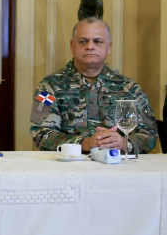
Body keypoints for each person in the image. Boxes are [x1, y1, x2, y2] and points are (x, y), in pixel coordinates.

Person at [30, 17, 157, 153]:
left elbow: (150, 134)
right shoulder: (48, 87)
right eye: (83, 41)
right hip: (69, 163)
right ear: (72, 46)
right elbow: (40, 132)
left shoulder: (130, 88)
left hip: (117, 163)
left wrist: (124, 143)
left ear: (109, 47)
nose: (90, 46)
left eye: (97, 41)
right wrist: (83, 143)